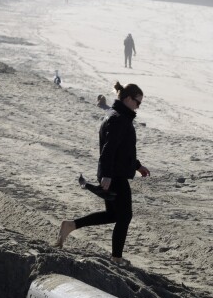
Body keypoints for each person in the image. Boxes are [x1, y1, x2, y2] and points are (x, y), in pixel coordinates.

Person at [56, 82, 150, 266]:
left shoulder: (120, 116)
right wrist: (106, 175)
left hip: (115, 172)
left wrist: (137, 166)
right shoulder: (118, 119)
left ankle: (71, 225)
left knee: (113, 214)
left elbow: (123, 150)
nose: (138, 106)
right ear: (128, 99)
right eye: (137, 103)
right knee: (125, 216)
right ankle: (116, 258)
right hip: (114, 175)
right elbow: (109, 149)